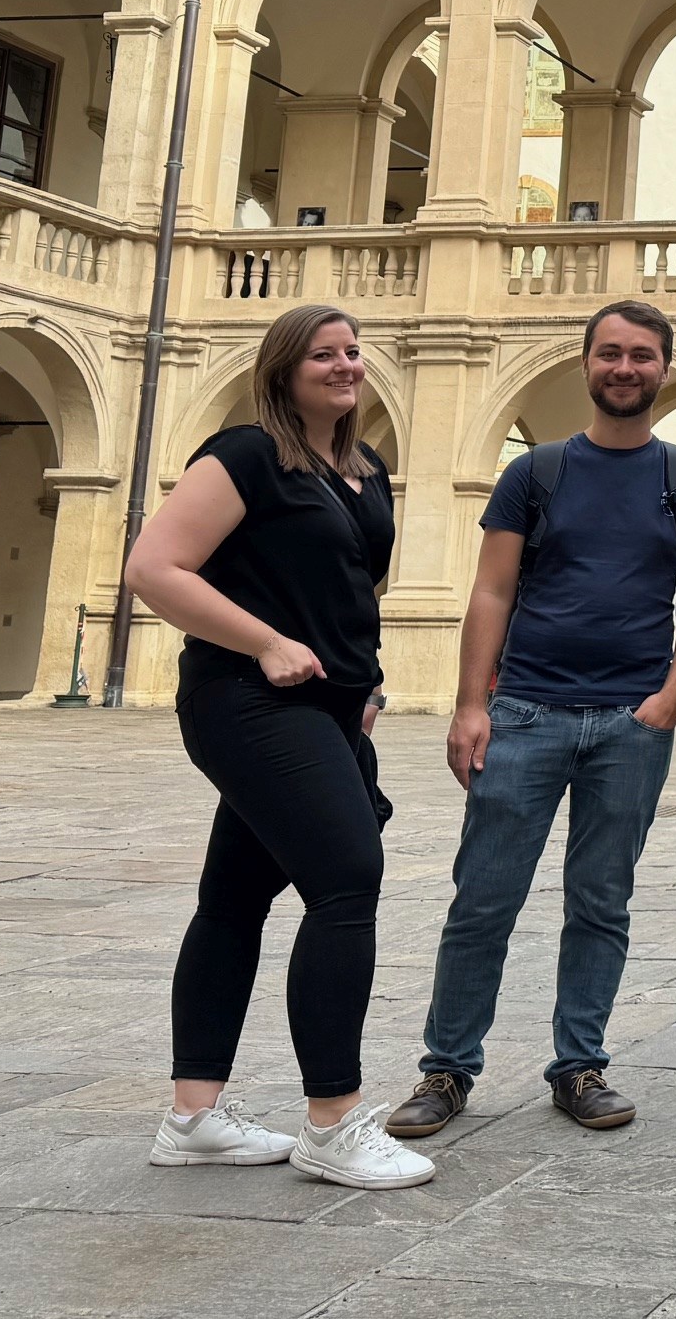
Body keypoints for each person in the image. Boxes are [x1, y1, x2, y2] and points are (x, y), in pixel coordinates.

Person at [384, 301, 676, 1143]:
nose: (624, 368)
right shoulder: (535, 473)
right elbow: (492, 591)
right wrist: (472, 704)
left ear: (664, 368)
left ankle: (580, 1065)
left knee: (601, 900)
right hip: (527, 712)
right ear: (586, 364)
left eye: (642, 356)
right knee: (483, 899)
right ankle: (447, 1069)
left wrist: (669, 701)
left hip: (629, 722)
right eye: (610, 354)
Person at [128, 303, 434, 1190]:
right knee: (347, 879)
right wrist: (264, 640)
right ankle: (334, 1123)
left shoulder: (365, 467)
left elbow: (344, 588)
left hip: (328, 707)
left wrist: (363, 683)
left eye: (352, 352)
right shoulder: (246, 455)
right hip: (248, 700)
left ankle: (192, 1117)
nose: (344, 366)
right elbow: (154, 569)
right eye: (321, 356)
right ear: (284, 369)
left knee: (232, 900)